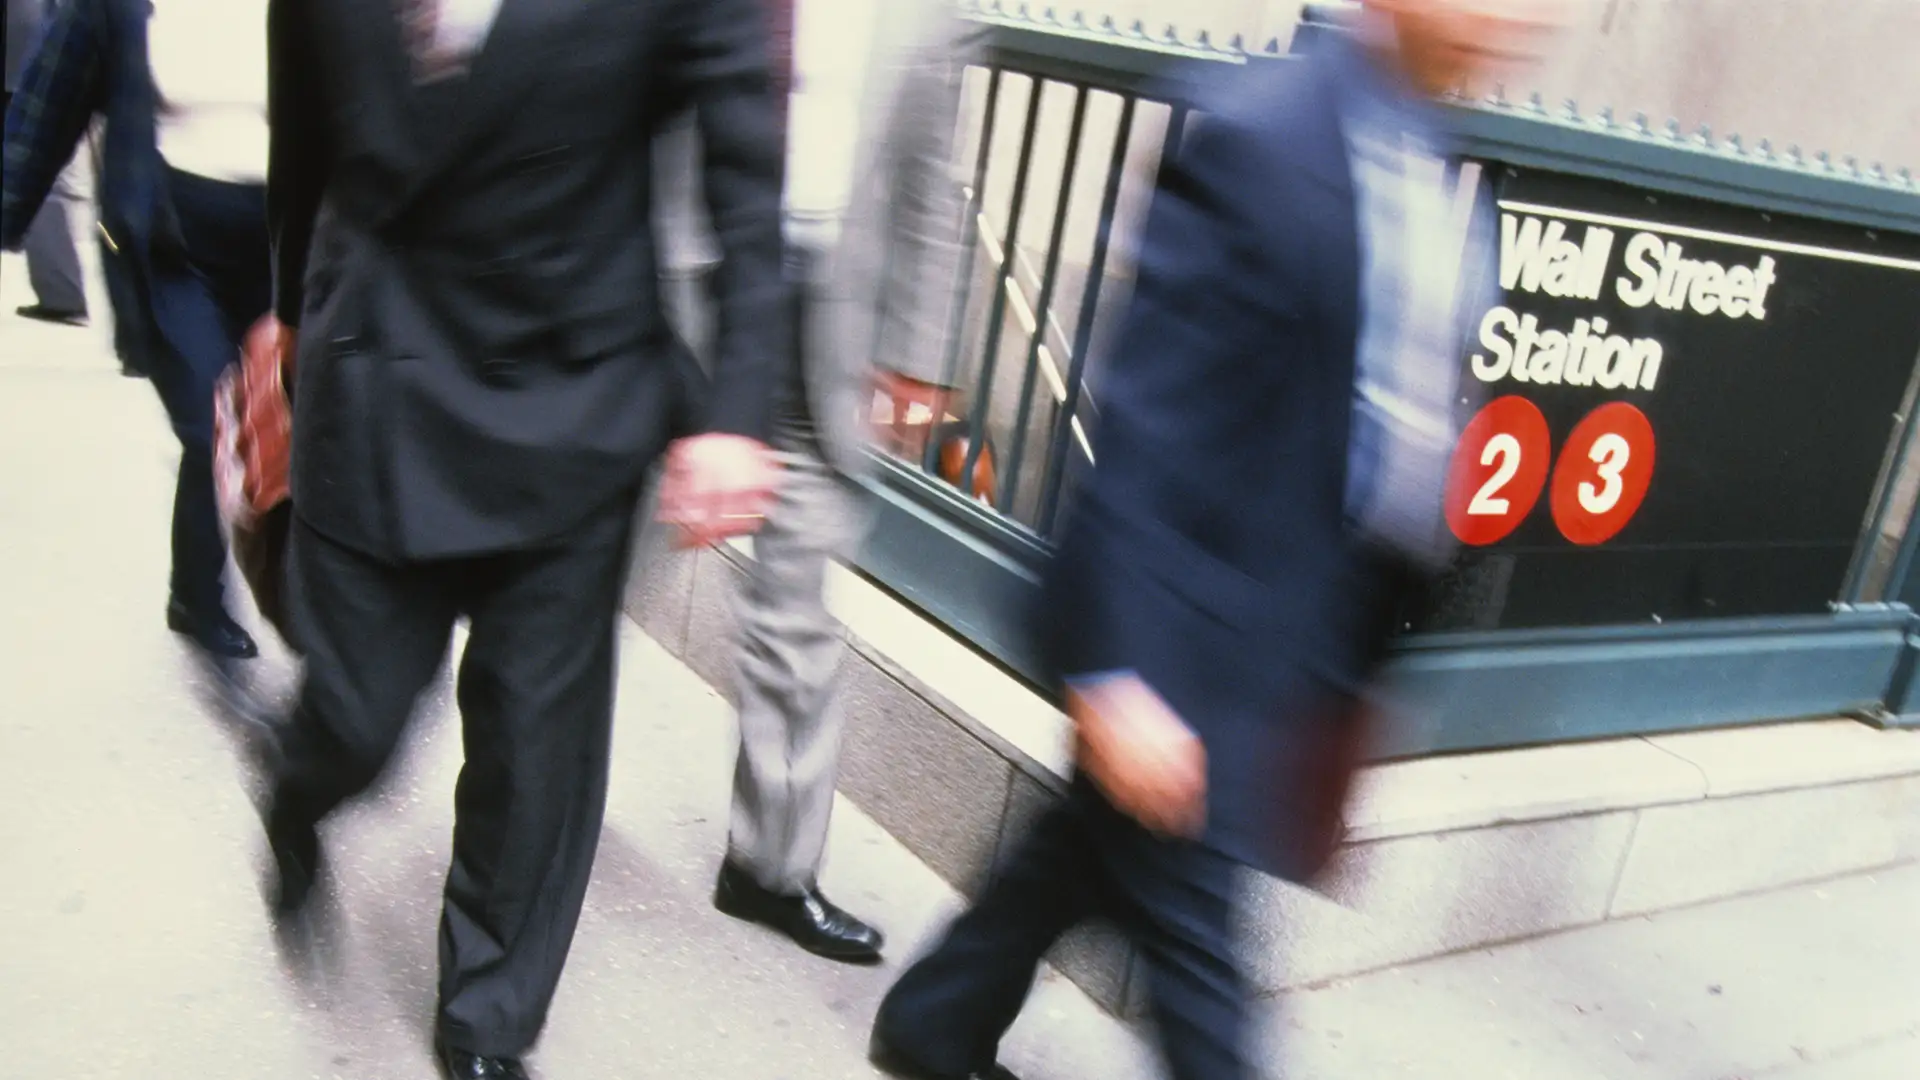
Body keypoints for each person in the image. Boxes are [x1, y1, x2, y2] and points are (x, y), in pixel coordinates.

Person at [868, 3, 1559, 1079]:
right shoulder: (1262, 136)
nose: (1515, 20)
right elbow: (1154, 422)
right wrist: (1115, 668)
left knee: (1086, 851)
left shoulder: (1432, 161)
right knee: (1204, 977)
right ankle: (934, 1022)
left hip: (1299, 633)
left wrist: (1351, 680)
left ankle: (935, 1022)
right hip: (1191, 642)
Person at [258, 1, 789, 1076]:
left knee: (533, 741)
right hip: (378, 373)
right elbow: (303, 137)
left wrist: (737, 410)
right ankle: (297, 787)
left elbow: (745, 176)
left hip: (572, 390)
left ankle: (488, 1021)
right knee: (354, 715)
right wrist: (284, 327)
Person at [692, 1, 977, 965]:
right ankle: (523, 815)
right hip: (687, 300)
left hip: (826, 330)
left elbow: (935, 193)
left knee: (800, 618)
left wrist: (918, 355)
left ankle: (769, 868)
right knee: (582, 580)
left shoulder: (925, 18)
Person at [3, 0, 269, 661]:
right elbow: (48, 106)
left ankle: (268, 590)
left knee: (292, 421)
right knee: (211, 418)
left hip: (282, 246)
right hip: (170, 246)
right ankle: (200, 598)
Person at [4, 0, 89, 328]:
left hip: (29, 45)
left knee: (43, 168)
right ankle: (62, 293)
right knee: (51, 169)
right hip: (44, 42)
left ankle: (62, 294)